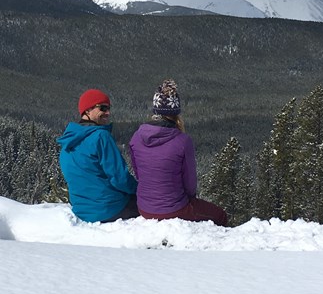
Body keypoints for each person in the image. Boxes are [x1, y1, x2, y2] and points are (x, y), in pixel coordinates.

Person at [128, 79, 228, 226]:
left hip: (144, 208)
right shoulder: (182, 141)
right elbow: (190, 183)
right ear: (176, 113)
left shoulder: (136, 137)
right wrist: (189, 200)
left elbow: (139, 173)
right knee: (220, 215)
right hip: (174, 209)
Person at [57, 89, 139, 223]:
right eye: (103, 108)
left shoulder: (68, 141)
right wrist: (139, 190)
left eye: (108, 108)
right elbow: (120, 178)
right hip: (109, 209)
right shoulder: (101, 137)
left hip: (82, 210)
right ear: (87, 110)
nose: (108, 112)